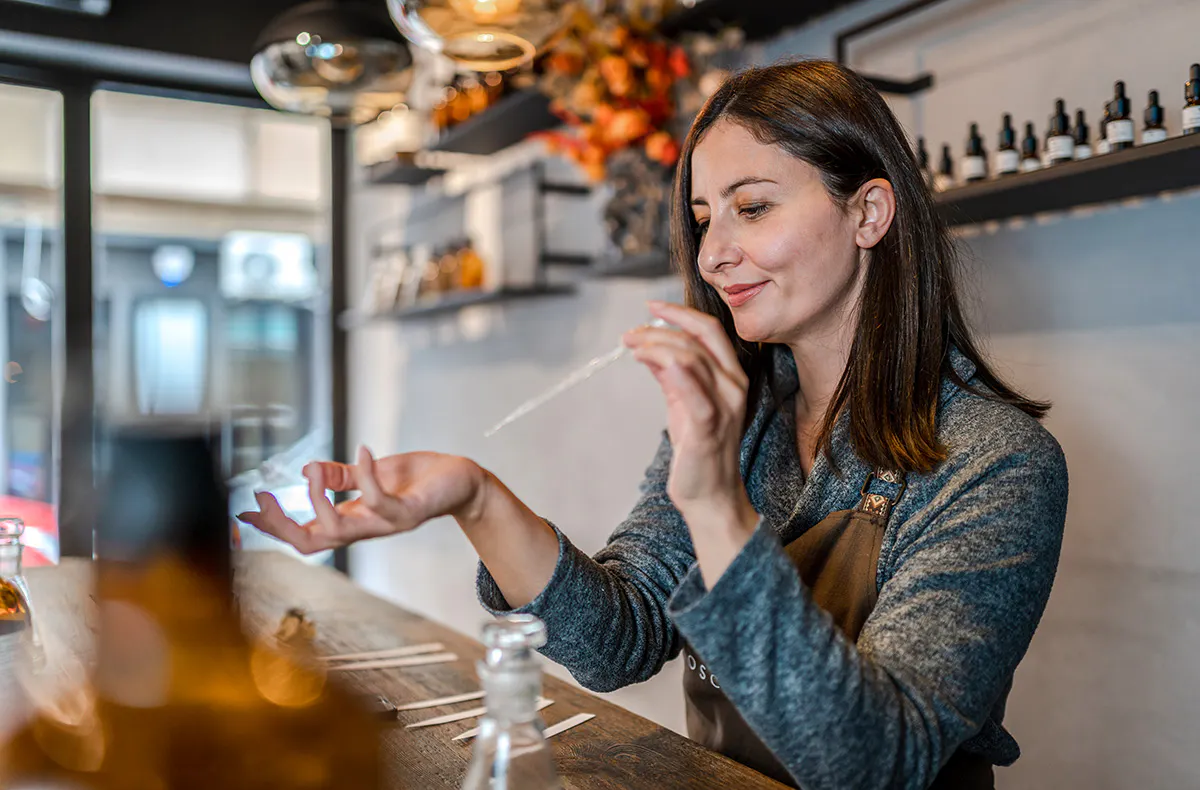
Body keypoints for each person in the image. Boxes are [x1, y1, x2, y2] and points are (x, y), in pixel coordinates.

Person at [240, 60, 1068, 790]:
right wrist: (477, 499)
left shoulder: (996, 463)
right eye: (707, 217)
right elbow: (616, 642)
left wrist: (715, 503)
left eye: (753, 207)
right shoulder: (736, 424)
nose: (711, 255)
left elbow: (871, 765)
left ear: (869, 214)